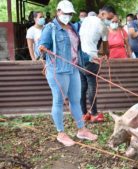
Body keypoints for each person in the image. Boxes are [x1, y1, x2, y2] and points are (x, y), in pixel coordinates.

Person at [38, 0, 97, 146]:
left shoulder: (73, 28)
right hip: (57, 70)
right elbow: (40, 48)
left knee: (75, 100)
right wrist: (42, 49)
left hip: (73, 68)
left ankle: (81, 130)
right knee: (58, 100)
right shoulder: (50, 28)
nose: (67, 16)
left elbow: (77, 50)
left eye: (70, 13)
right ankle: (61, 133)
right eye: (65, 13)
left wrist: (92, 57)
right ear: (58, 12)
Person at [79, 5, 116, 122]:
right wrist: (106, 54)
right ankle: (94, 114)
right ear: (103, 14)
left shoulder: (86, 19)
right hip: (91, 59)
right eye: (109, 18)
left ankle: (83, 114)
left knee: (82, 87)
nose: (109, 21)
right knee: (92, 87)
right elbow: (105, 46)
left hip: (80, 57)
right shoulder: (103, 26)